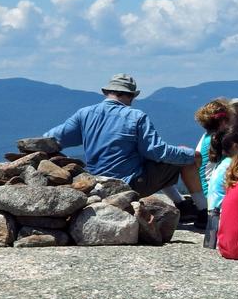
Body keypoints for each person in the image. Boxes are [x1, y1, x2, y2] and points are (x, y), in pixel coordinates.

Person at [43, 74, 204, 216]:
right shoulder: (136, 116)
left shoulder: (84, 114)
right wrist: (192, 155)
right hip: (129, 184)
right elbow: (156, 151)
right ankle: (204, 212)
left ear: (107, 92)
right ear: (131, 95)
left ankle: (182, 205)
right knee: (183, 155)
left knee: (155, 158)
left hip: (95, 184)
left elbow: (51, 139)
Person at [194, 98, 232, 218]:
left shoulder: (206, 137)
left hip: (206, 194)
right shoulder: (221, 140)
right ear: (223, 121)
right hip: (214, 196)